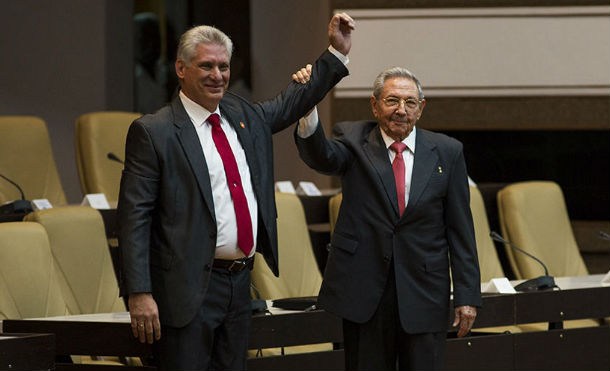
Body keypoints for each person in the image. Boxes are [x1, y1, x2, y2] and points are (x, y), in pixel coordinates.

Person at [117, 13, 355, 370]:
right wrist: (139, 293)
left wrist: (335, 53)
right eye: (207, 66)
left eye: (224, 66)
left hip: (239, 283)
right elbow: (134, 217)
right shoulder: (155, 131)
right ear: (181, 69)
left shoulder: (240, 114)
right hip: (186, 290)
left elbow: (288, 103)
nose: (218, 75)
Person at [293, 66, 481, 370]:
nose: (401, 110)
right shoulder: (353, 139)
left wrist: (467, 294)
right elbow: (322, 157)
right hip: (366, 292)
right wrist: (308, 105)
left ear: (421, 108)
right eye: (392, 101)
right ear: (375, 105)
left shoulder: (448, 152)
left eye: (409, 102)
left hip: (424, 291)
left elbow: (460, 229)